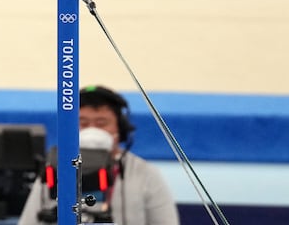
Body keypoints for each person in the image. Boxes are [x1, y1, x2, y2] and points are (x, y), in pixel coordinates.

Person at [17, 86, 179, 225]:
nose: (92, 130)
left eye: (101, 123)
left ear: (119, 129)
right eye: (83, 123)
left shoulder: (145, 173)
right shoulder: (55, 168)